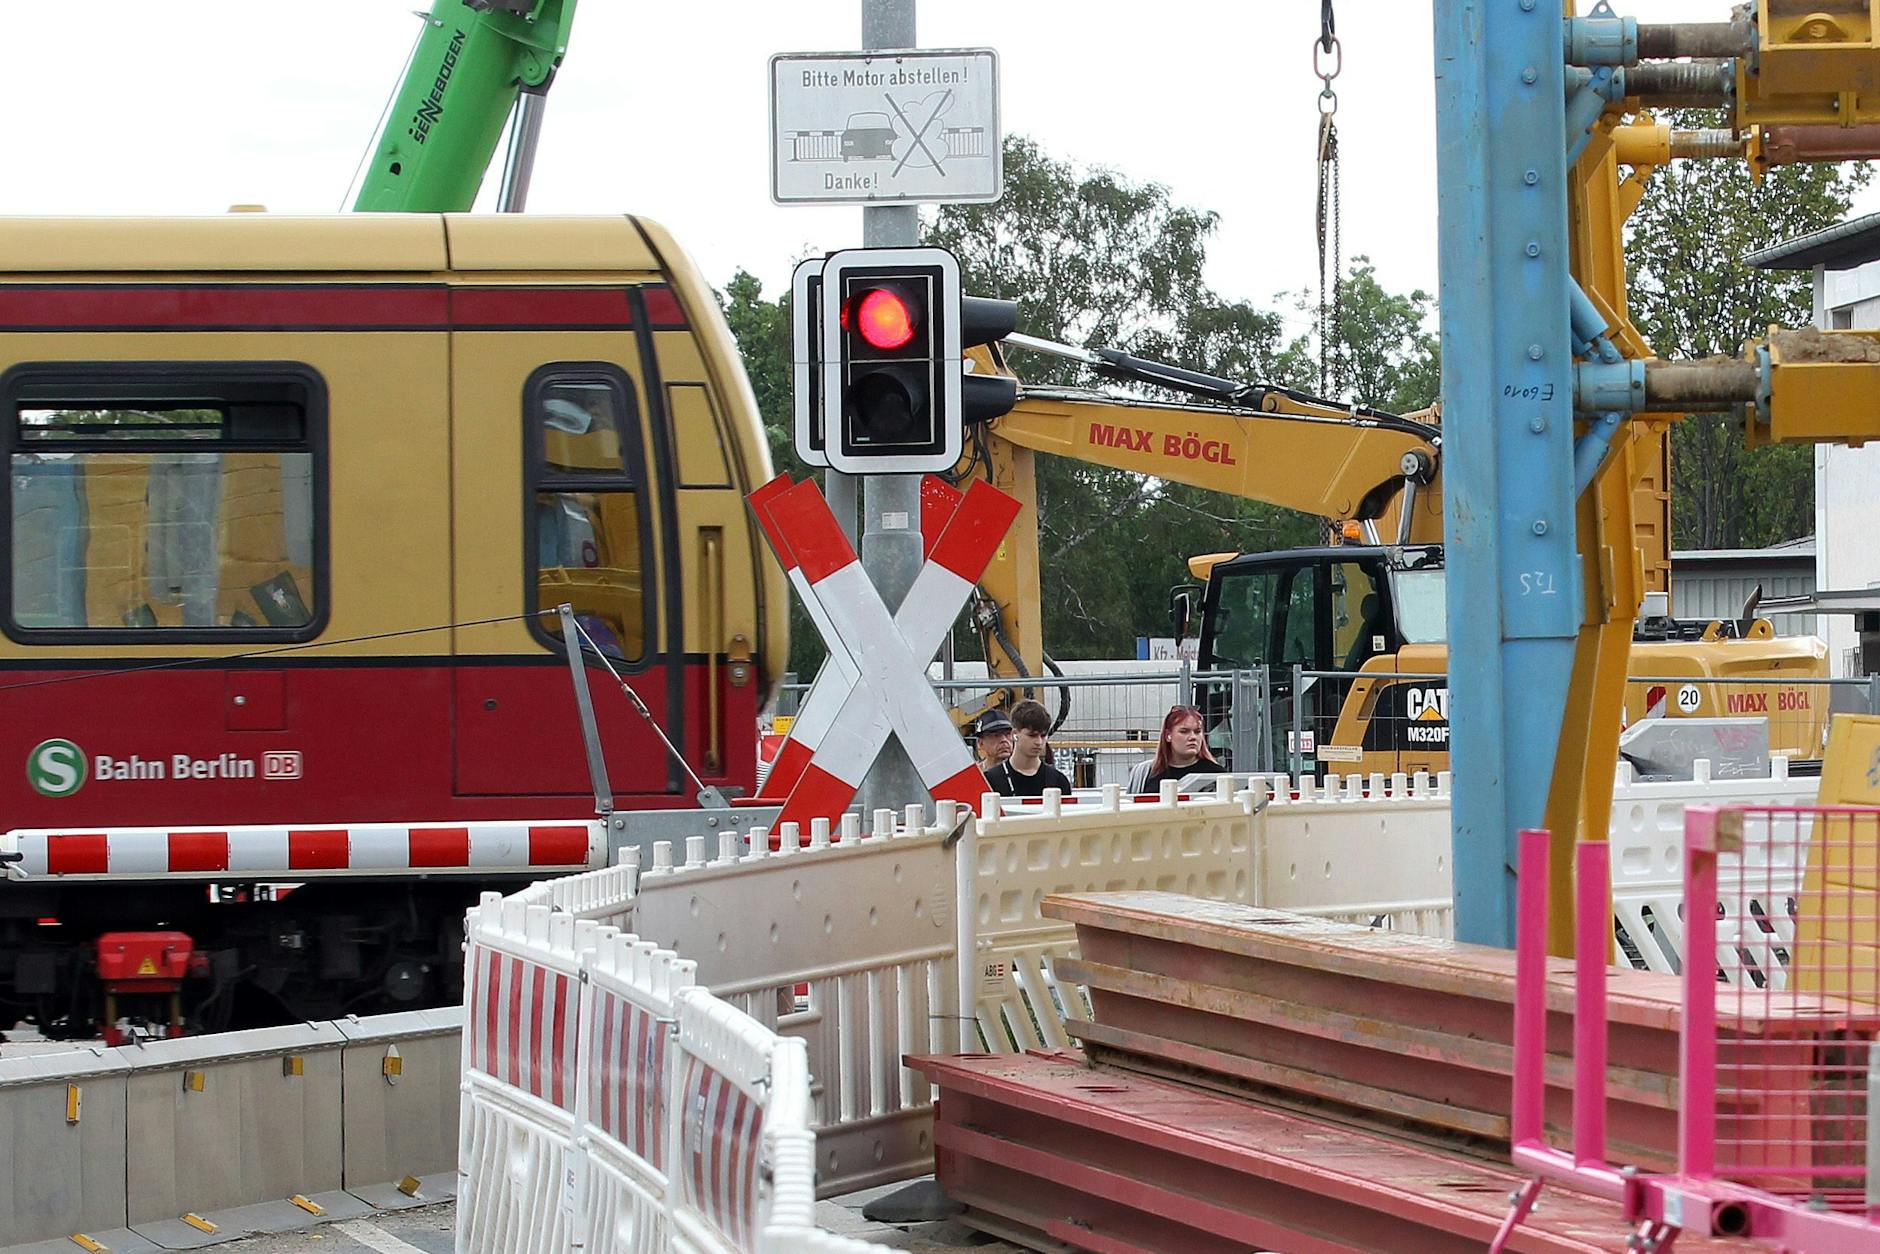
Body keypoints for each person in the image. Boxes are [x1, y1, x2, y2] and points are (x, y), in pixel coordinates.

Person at [983, 699, 1074, 797]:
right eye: (1032, 735)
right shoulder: (991, 780)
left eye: (1043, 736)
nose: (1039, 742)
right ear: (1014, 734)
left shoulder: (1058, 781)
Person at [1128, 704, 1226, 794]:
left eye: (1197, 731)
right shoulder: (1145, 772)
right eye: (1184, 731)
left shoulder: (1216, 775)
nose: (1193, 737)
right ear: (1168, 735)